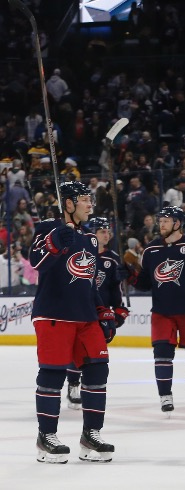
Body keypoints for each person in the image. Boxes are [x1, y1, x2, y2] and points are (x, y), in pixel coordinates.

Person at [29, 181, 118, 463]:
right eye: (83, 199)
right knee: (53, 374)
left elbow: (89, 281)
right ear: (68, 204)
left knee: (98, 370)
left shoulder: (91, 239)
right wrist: (54, 243)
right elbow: (35, 261)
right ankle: (46, 437)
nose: (90, 204)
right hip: (54, 314)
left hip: (85, 316)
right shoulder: (47, 227)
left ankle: (91, 435)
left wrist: (103, 310)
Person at [130, 206, 185, 413]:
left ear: (177, 223)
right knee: (161, 353)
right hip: (162, 312)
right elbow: (144, 283)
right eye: (160, 221)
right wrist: (129, 274)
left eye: (166, 221)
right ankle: (165, 396)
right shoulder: (151, 250)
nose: (161, 224)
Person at [66, 218, 129, 410]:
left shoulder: (112, 258)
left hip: (99, 313)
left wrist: (118, 309)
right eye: (102, 231)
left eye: (107, 231)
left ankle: (88, 386)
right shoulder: (79, 252)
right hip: (78, 308)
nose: (106, 234)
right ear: (92, 233)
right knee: (75, 349)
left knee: (95, 354)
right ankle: (73, 385)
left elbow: (115, 288)